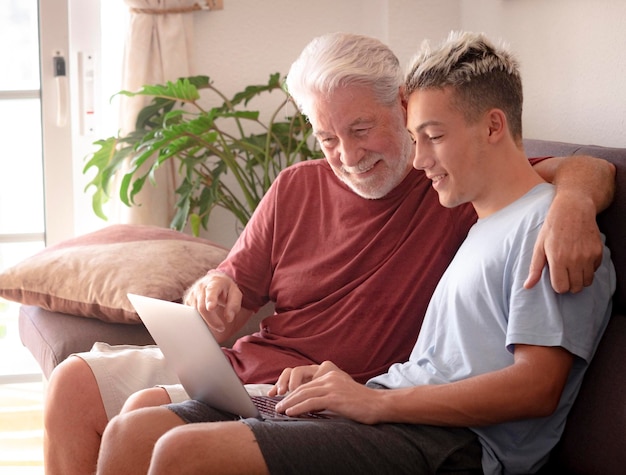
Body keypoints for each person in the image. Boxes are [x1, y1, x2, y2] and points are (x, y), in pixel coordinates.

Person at [46, 32, 615, 474]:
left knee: (178, 453)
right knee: (127, 429)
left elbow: (580, 171)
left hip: (425, 427)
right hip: (347, 390)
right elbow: (233, 287)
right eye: (327, 138)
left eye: (365, 129)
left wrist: (574, 206)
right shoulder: (475, 210)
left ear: (399, 107)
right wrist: (215, 290)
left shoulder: (494, 209)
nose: (348, 154)